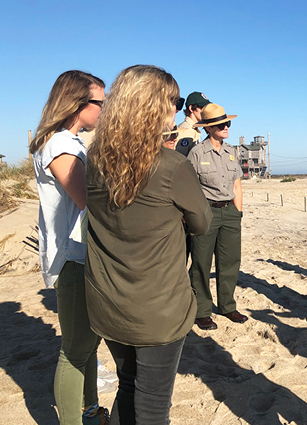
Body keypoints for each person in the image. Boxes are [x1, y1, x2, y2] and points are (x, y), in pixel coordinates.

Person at [85, 64, 211, 425]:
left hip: (107, 302)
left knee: (127, 386)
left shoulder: (93, 161)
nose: (176, 109)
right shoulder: (170, 166)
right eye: (173, 101)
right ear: (153, 107)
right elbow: (201, 223)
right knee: (154, 404)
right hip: (157, 307)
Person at [29, 69, 110, 425]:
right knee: (75, 351)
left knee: (87, 346)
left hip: (78, 255)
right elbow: (87, 199)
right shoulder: (61, 144)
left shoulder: (69, 141)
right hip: (73, 258)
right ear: (79, 104)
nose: (104, 112)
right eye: (100, 104)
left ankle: (89, 412)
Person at [187, 102, 246, 330]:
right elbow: (190, 187)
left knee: (230, 261)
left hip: (230, 212)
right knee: (201, 263)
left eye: (227, 123)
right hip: (206, 212)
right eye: (220, 124)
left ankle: (227, 306)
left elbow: (237, 185)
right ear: (208, 128)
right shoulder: (196, 153)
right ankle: (202, 311)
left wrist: (238, 212)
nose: (226, 127)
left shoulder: (232, 152)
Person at [174, 92, 210, 156]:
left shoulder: (194, 129)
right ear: (191, 108)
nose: (205, 111)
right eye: (202, 108)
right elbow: (180, 158)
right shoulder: (186, 130)